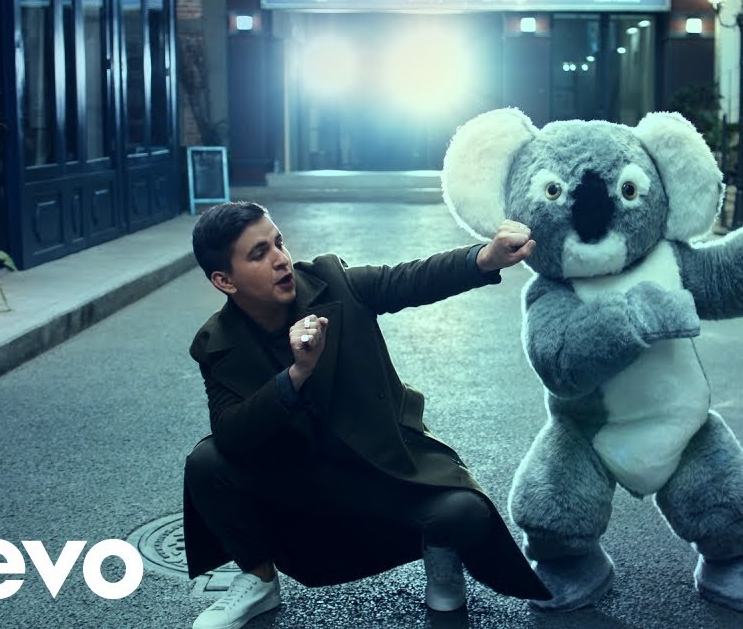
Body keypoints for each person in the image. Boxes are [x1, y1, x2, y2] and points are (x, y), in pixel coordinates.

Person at [182, 201, 549, 629]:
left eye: (278, 243)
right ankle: (259, 579)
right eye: (259, 254)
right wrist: (296, 375)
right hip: (303, 487)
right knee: (206, 462)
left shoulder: (332, 283)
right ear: (224, 280)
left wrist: (484, 257)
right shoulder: (216, 342)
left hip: (382, 471)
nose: (280, 259)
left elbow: (408, 280)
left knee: (464, 512)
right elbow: (231, 434)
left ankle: (441, 555)